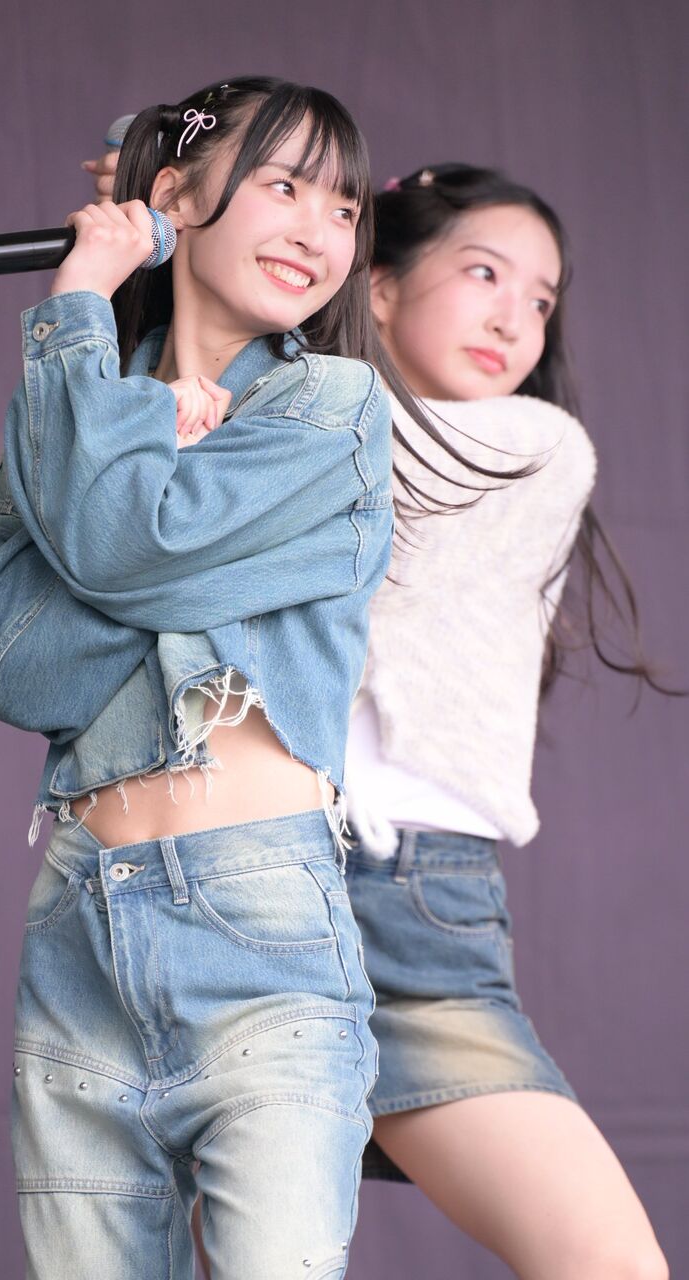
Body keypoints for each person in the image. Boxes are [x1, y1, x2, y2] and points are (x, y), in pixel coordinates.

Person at [0, 81, 505, 1280]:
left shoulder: (331, 409)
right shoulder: (103, 405)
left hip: (259, 925)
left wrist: (80, 300)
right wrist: (129, 419)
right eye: (283, 186)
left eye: (343, 207)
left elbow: (120, 549)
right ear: (175, 201)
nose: (320, 230)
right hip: (79, 926)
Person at [341, 165, 670, 1279]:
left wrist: (221, 251)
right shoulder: (278, 416)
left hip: (412, 902)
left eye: (540, 299)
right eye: (484, 274)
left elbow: (353, 461)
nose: (514, 319)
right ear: (379, 287)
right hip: (243, 880)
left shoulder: (534, 446)